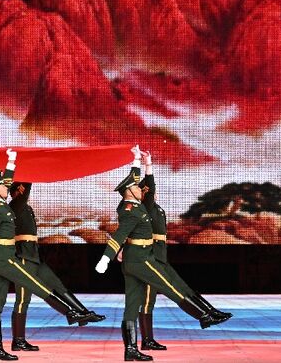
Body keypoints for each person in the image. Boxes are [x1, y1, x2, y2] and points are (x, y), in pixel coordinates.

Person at [94, 146, 229, 362]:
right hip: (140, 259)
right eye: (136, 187)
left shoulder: (136, 205)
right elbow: (119, 235)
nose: (141, 189)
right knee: (170, 286)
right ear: (129, 191)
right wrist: (105, 258)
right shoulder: (129, 210)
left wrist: (139, 160)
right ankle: (203, 316)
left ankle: (130, 351)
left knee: (132, 305)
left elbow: (142, 180)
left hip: (135, 259)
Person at [0, 149, 90, 361]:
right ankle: (69, 313)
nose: (7, 187)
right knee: (36, 285)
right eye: (3, 185)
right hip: (6, 259)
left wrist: (11, 161)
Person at [136, 150, 232, 352]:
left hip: (159, 257)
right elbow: (149, 185)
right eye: (149, 190)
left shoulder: (155, 208)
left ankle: (209, 312)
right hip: (148, 257)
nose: (154, 191)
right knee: (147, 301)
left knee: (182, 287)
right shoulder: (146, 205)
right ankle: (149, 339)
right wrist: (148, 165)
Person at [8, 181, 106, 352]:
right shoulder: (15, 204)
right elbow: (25, 191)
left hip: (34, 256)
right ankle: (18, 340)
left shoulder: (25, 207)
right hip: (23, 258)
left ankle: (83, 313)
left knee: (58, 286)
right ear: (18, 191)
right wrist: (30, 172)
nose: (27, 192)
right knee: (23, 300)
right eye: (23, 189)